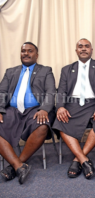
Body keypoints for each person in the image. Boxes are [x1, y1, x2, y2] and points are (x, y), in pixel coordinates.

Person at [52, 38, 95, 180]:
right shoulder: (66, 69)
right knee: (60, 120)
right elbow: (61, 91)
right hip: (72, 104)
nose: (83, 49)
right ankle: (84, 160)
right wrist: (60, 107)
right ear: (76, 50)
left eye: (87, 46)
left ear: (91, 50)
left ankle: (76, 160)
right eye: (80, 46)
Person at [0, 42, 56, 184]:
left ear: (36, 55)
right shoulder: (10, 71)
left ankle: (16, 164)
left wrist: (44, 109)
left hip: (36, 109)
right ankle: (19, 166)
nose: (26, 53)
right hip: (12, 110)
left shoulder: (46, 70)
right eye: (23, 51)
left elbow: (51, 92)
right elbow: (2, 92)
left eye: (30, 51)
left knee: (42, 125)